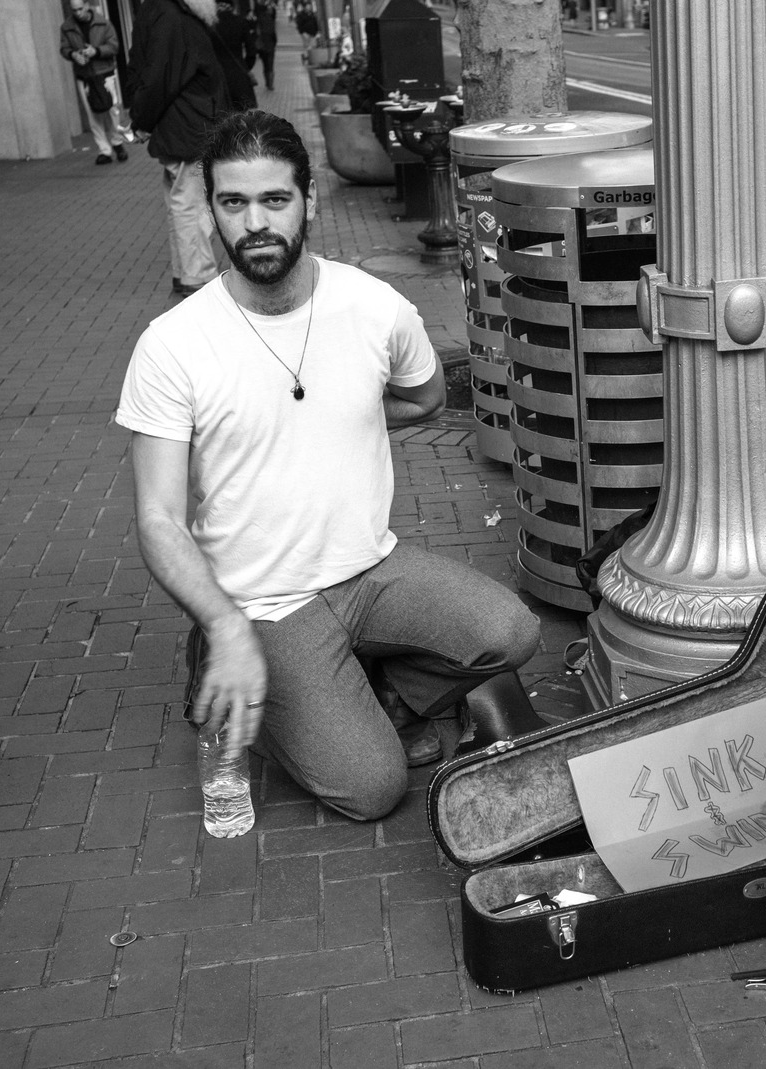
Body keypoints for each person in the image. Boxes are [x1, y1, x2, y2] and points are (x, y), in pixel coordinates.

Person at [116, 111, 542, 820]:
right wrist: (225, 624)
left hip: (371, 570)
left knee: (511, 632)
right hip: (265, 602)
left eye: (274, 199)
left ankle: (381, 686)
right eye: (233, 202)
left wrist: (348, 415)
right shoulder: (172, 344)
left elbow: (427, 397)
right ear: (211, 210)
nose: (255, 222)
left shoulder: (374, 306)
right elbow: (158, 518)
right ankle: (225, 665)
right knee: (372, 788)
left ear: (309, 199)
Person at [127, 0, 256, 298]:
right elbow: (159, 75)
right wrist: (141, 120)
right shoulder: (170, 14)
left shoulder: (168, 12)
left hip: (186, 124)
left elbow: (154, 71)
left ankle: (186, 273)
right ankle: (196, 275)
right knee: (191, 205)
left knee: (182, 203)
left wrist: (142, 119)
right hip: (190, 126)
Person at [59, 0, 127, 165]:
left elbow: (114, 46)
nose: (78, 13)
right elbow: (64, 48)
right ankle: (104, 150)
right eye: (74, 10)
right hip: (84, 75)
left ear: (87, 6)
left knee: (112, 110)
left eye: (80, 9)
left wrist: (95, 51)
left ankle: (117, 143)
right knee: (93, 114)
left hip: (104, 72)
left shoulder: (103, 23)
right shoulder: (67, 27)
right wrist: (73, 55)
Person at [252, 1, 279, 91]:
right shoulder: (270, 19)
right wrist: (274, 42)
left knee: (265, 64)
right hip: (270, 45)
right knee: (270, 65)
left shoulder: (257, 20)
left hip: (262, 46)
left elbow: (255, 34)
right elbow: (273, 33)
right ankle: (270, 84)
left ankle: (267, 82)